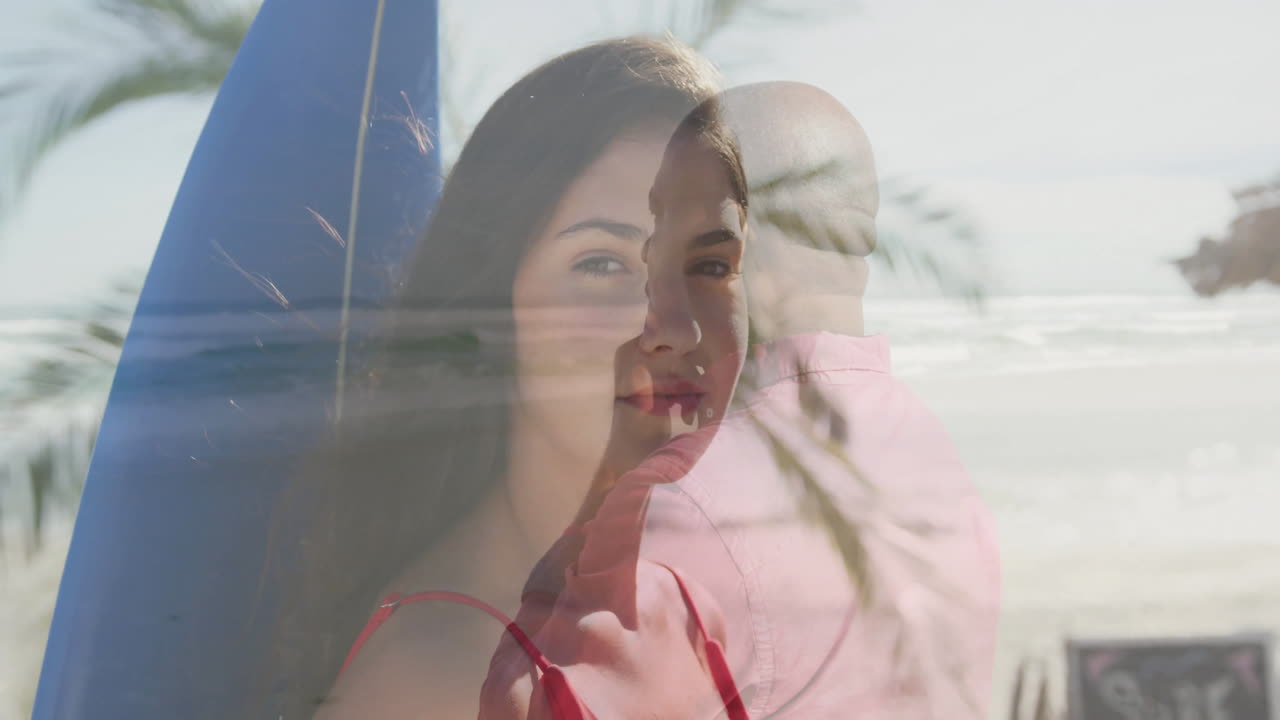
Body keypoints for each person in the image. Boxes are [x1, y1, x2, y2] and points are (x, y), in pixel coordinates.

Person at [479, 82, 1001, 718]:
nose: (657, 325)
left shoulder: (683, 513)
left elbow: (536, 702)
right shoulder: (931, 462)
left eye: (707, 265)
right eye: (655, 267)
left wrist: (607, 501)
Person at [261, 37, 720, 719]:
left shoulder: (698, 598)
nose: (677, 325)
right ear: (491, 308)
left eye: (709, 264)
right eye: (602, 263)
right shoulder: (439, 685)